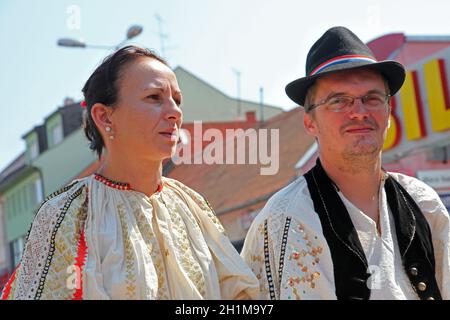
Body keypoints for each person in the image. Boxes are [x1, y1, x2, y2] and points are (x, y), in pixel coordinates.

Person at [1, 45, 259, 300]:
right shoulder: (68, 215)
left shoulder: (193, 206)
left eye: (177, 100)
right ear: (104, 117)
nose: (175, 112)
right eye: (154, 98)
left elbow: (238, 294)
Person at [241, 26, 450, 300]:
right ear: (310, 123)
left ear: (388, 113)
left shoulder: (423, 202)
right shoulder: (286, 220)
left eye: (372, 98)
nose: (360, 112)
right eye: (339, 101)